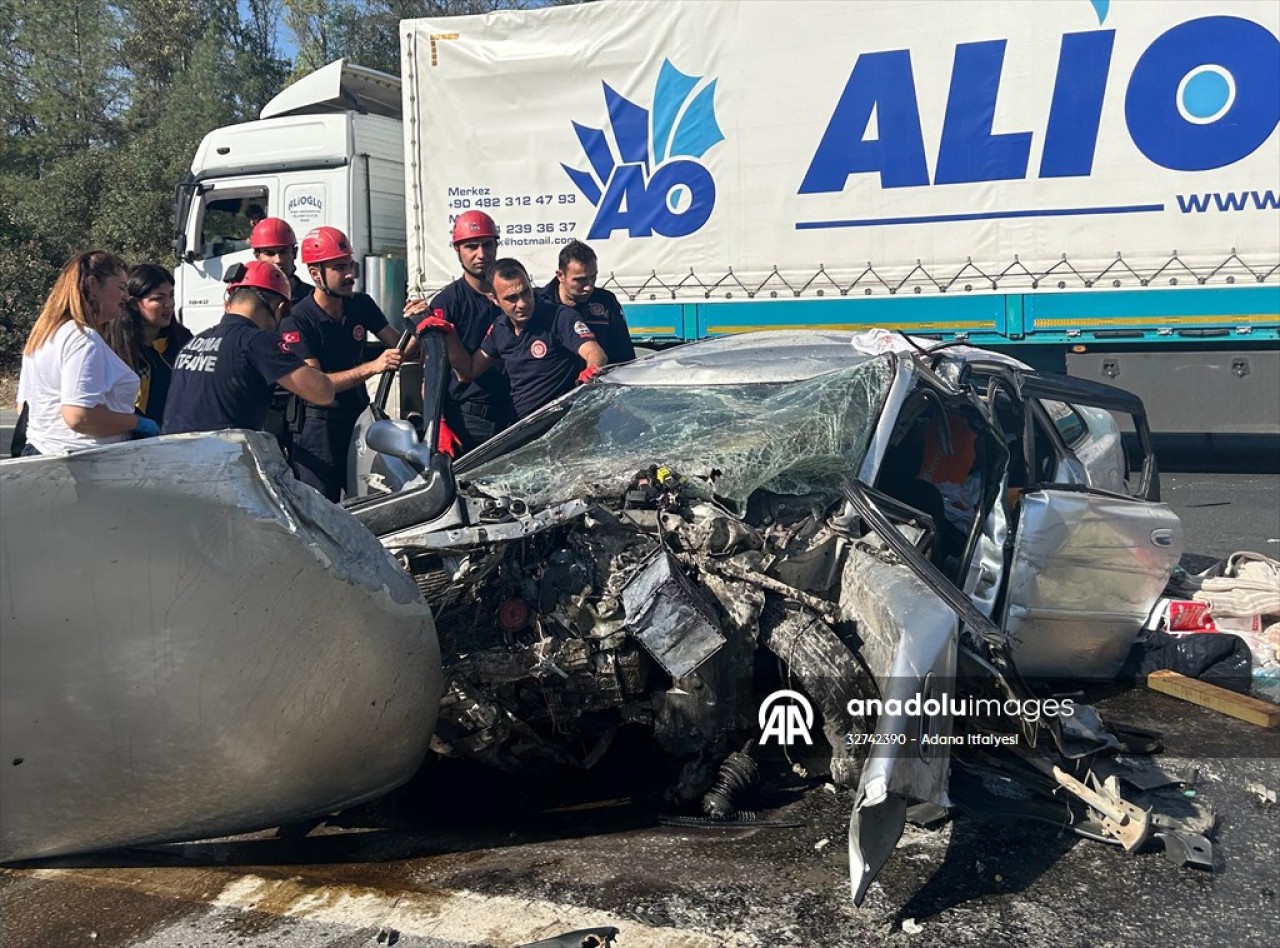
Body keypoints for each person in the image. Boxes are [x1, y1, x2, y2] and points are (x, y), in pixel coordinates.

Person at [280, 225, 410, 501]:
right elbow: (316, 385)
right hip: (318, 428)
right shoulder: (297, 319)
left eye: (350, 265)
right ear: (315, 274)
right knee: (319, 509)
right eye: (340, 268)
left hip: (358, 419)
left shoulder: (360, 304)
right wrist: (372, 367)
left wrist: (419, 325)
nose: (350, 274)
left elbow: (402, 348)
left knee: (367, 499)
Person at [422, 258, 607, 420]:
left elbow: (594, 351)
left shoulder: (560, 317)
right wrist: (449, 336)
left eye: (525, 292)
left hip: (562, 429)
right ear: (494, 299)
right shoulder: (499, 328)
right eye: (511, 298)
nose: (522, 304)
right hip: (522, 431)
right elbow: (468, 372)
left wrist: (592, 369)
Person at [162, 261, 333, 435]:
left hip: (172, 454)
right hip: (220, 456)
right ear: (279, 308)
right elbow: (323, 392)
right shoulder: (258, 341)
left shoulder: (195, 342)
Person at [16, 250, 158, 456]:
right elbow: (79, 416)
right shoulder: (83, 339)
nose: (126, 297)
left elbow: (25, 407)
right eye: (121, 288)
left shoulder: (45, 334)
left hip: (43, 455)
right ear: (93, 285)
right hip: (81, 465)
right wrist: (137, 423)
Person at [427, 210, 514, 453]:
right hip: (469, 422)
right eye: (471, 246)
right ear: (457, 250)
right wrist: (438, 423)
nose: (481, 254)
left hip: (516, 417)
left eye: (487, 245)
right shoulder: (448, 302)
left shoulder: (514, 295)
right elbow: (432, 372)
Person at [105, 263, 193, 426]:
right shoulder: (111, 345)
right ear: (133, 304)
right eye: (158, 298)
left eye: (171, 295)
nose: (169, 304)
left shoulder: (183, 340)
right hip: (126, 438)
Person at [539, 240, 636, 365]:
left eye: (593, 277)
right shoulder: (540, 304)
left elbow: (624, 358)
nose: (589, 287)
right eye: (580, 280)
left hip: (597, 381)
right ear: (560, 275)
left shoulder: (606, 301)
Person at [249, 217, 312, 304]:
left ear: (294, 253)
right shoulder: (249, 300)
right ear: (257, 257)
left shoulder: (313, 299)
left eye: (284, 252)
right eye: (270, 253)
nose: (278, 260)